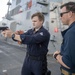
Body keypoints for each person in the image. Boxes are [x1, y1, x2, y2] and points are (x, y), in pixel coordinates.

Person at [53, 2, 75, 75]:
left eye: (61, 14)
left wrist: (56, 56)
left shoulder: (71, 32)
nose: (60, 17)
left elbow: (68, 63)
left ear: (70, 14)